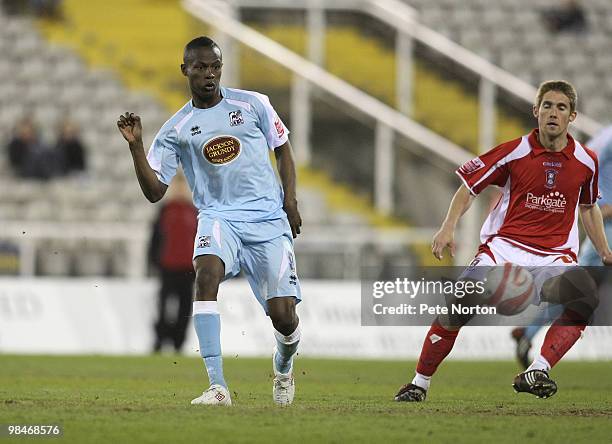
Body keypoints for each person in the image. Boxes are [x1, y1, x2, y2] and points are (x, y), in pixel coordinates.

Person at [395, 80, 612, 402]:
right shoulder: (514, 151)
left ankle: (537, 369)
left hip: (554, 257)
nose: (554, 113)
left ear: (573, 116)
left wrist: (605, 252)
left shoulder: (586, 160)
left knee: (584, 298)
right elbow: (469, 188)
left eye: (561, 107)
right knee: (458, 304)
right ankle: (419, 383)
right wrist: (447, 227)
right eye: (548, 106)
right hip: (503, 249)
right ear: (536, 111)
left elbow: (589, 207)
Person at [117, 36, 303, 407]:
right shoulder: (177, 128)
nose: (209, 74)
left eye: (215, 67)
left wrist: (290, 200)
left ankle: (283, 369)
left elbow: (282, 147)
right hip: (218, 217)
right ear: (185, 69)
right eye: (200, 67)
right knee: (205, 277)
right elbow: (155, 191)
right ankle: (217, 387)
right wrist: (137, 147)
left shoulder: (253, 104)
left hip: (267, 218)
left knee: (284, 317)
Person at [511, 123, 612, 369]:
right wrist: (595, 203)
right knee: (581, 289)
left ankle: (528, 331)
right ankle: (531, 335)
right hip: (607, 222)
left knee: (580, 289)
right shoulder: (608, 137)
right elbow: (583, 162)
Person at [148, 173, 197, 354]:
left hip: (187, 269)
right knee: (163, 307)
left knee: (185, 308)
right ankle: (160, 339)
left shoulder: (193, 211)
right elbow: (155, 238)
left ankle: (179, 342)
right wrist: (154, 260)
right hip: (168, 266)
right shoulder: (165, 210)